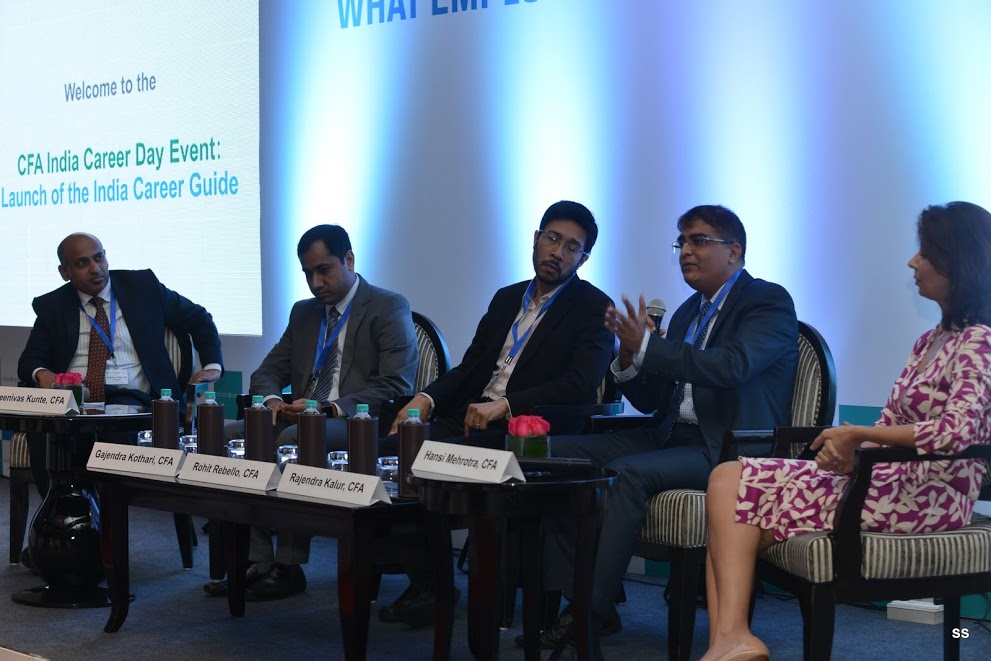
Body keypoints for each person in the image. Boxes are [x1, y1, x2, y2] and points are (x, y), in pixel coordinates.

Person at [702, 201, 991, 661]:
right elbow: (891, 423)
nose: (912, 262)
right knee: (726, 481)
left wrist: (858, 437)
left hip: (930, 496)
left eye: (924, 253)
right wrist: (851, 448)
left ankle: (733, 639)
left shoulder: (979, 340)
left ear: (957, 261)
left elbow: (956, 433)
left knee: (734, 495)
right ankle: (730, 640)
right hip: (890, 478)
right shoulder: (929, 340)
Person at [535, 205, 799, 655]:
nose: (686, 252)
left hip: (727, 449)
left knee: (628, 474)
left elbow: (733, 367)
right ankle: (579, 596)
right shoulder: (686, 313)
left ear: (734, 251)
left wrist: (650, 347)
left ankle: (586, 616)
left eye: (699, 241)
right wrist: (628, 358)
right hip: (668, 434)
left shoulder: (767, 301)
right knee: (555, 456)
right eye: (682, 243)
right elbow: (655, 401)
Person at [380, 200, 614, 626]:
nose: (557, 252)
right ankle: (430, 583)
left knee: (431, 458)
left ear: (583, 259)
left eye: (571, 247)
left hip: (529, 432)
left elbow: (580, 382)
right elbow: (471, 368)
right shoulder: (507, 298)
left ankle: (459, 590)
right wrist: (425, 399)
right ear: (536, 238)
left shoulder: (594, 307)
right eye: (552, 238)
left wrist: (506, 405)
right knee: (393, 450)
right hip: (471, 417)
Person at [208, 223, 418, 601]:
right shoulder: (304, 313)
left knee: (296, 438)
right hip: (302, 416)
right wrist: (272, 403)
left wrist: (327, 407)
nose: (315, 283)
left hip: (358, 421)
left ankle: (289, 567)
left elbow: (396, 384)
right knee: (229, 434)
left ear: (349, 260)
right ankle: (256, 560)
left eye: (324, 270)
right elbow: (267, 372)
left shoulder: (388, 306)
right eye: (308, 273)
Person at [18, 232, 224, 495]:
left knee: (112, 434)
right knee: (47, 433)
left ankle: (107, 514)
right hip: (76, 403)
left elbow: (199, 319)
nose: (95, 269)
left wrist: (212, 367)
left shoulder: (143, 287)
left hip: (134, 402)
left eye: (99, 258)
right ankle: (62, 506)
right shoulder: (52, 306)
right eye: (82, 263)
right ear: (65, 272)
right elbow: (30, 361)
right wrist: (43, 375)